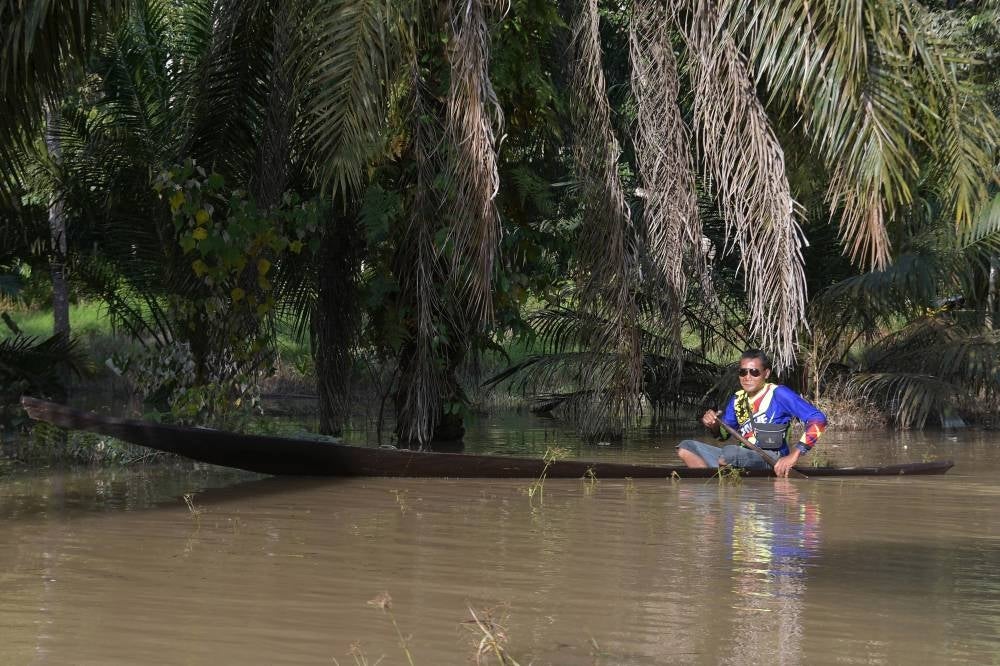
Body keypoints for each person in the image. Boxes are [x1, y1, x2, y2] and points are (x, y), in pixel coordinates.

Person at [678, 349, 827, 477]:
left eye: (754, 372)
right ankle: (709, 493)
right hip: (739, 456)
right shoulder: (738, 399)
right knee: (686, 447)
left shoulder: (778, 393)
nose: (747, 377)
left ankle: (723, 486)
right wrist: (713, 424)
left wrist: (794, 455)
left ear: (766, 373)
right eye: (743, 372)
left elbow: (818, 419)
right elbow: (722, 436)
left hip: (771, 458)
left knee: (729, 454)